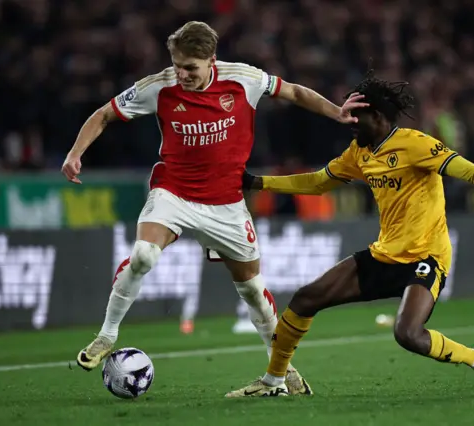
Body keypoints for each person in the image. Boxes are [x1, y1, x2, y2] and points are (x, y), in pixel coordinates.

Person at [61, 21, 366, 395]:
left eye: (191, 67)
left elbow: (295, 93)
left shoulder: (243, 80)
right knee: (142, 254)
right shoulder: (158, 87)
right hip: (173, 192)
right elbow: (103, 114)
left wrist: (337, 112)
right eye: (177, 65)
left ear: (212, 61)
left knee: (253, 290)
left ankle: (283, 371)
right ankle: (107, 335)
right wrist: (76, 154)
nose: (182, 74)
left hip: (226, 203)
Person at [226, 71, 474, 398]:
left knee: (408, 334)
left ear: (377, 116)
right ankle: (275, 382)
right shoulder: (359, 152)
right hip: (383, 255)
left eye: (357, 116)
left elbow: (470, 170)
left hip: (426, 257)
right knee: (306, 298)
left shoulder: (415, 144)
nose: (350, 122)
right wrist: (258, 182)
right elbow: (318, 182)